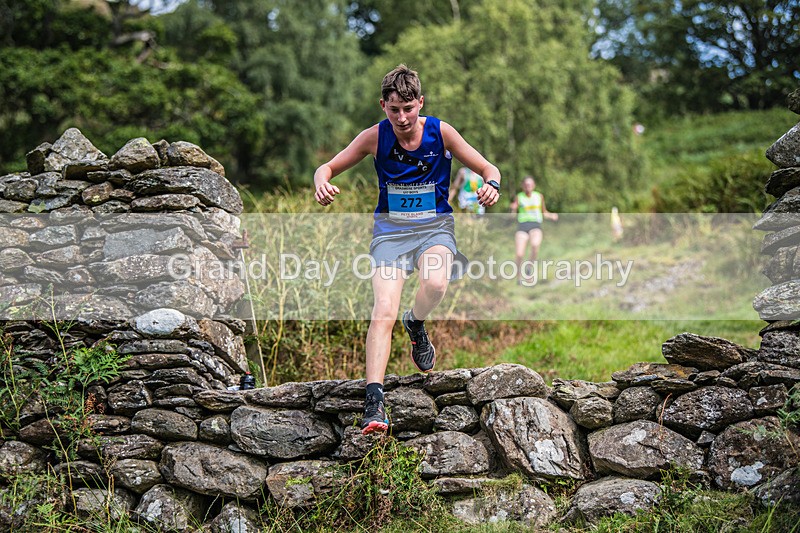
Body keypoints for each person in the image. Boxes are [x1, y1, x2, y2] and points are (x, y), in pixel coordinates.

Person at [313, 65, 501, 435]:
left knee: (436, 284)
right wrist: (322, 183)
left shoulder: (441, 132)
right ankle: (374, 401)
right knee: (383, 310)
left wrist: (491, 185)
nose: (401, 118)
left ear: (421, 103)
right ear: (383, 105)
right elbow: (327, 167)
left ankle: (415, 322)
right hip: (390, 234)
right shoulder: (374, 137)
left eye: (408, 109)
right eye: (394, 109)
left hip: (435, 229)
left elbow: (487, 167)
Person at [509, 176, 557, 284]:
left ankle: (529, 268)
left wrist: (552, 216)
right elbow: (512, 214)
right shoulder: (519, 197)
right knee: (519, 254)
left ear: (534, 185)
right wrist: (512, 209)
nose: (528, 187)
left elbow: (544, 212)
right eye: (526, 185)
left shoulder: (539, 196)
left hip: (535, 225)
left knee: (535, 245)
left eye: (530, 184)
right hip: (522, 226)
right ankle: (519, 278)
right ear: (522, 186)